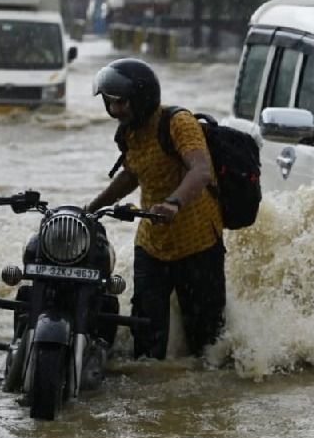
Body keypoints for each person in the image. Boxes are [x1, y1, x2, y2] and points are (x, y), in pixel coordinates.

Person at [86, 58, 226, 360]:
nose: (113, 110)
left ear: (141, 99)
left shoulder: (178, 123)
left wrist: (174, 203)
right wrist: (91, 209)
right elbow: (133, 174)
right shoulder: (130, 132)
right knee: (146, 336)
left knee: (206, 341)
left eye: (120, 102)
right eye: (109, 103)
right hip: (152, 243)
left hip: (197, 241)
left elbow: (201, 170)